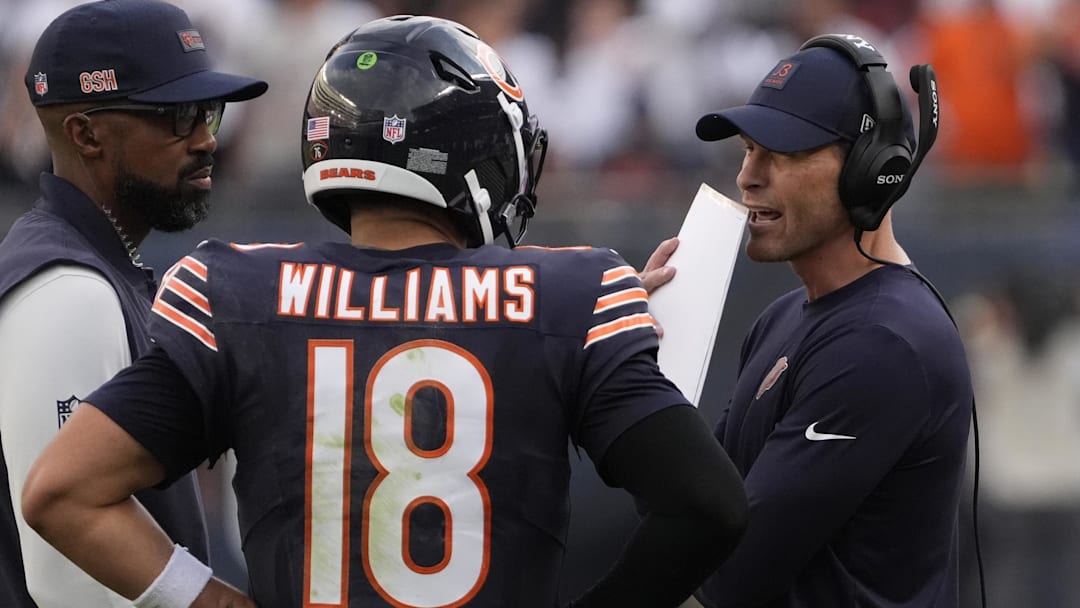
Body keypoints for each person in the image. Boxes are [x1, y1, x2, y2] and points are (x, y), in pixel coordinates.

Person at [20, 15, 749, 608]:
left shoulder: (231, 290)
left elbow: (63, 491)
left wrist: (212, 602)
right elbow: (709, 507)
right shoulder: (574, 295)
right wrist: (590, 330)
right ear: (484, 154)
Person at [686, 34, 974, 607]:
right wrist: (636, 355)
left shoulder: (882, 343)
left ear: (873, 170)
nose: (748, 176)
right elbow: (691, 509)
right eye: (748, 149)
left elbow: (729, 571)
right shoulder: (783, 318)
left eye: (783, 153)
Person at [0, 1, 268, 606]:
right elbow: (73, 584)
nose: (205, 141)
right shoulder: (67, 289)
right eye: (175, 117)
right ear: (86, 134)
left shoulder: (93, 266)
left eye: (209, 112)